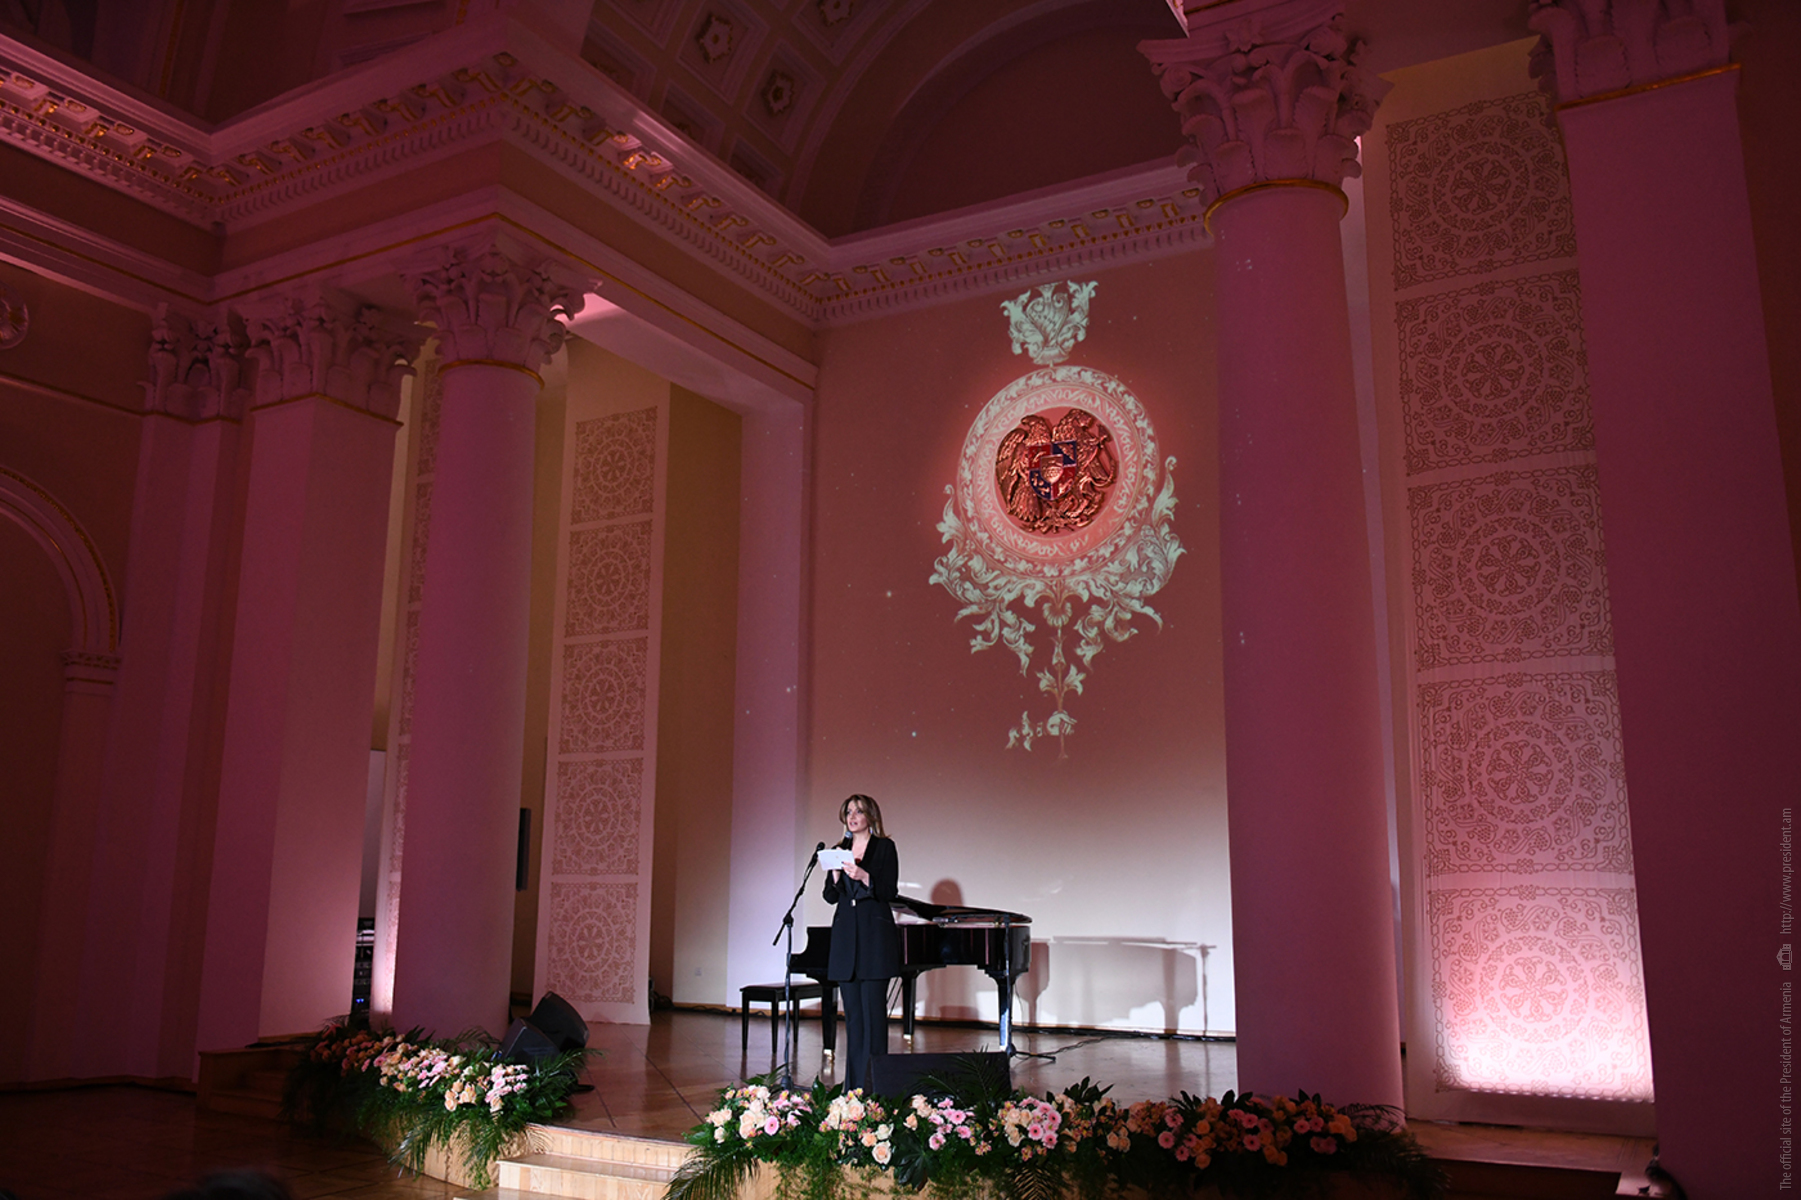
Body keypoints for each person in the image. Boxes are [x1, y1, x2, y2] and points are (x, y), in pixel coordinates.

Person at [822, 793, 900, 1093]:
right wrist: (835, 876)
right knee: (853, 1018)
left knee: (874, 1017)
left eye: (858, 811)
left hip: (874, 940)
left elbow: (890, 890)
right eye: (848, 812)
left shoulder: (885, 847)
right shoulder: (838, 850)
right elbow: (830, 897)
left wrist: (865, 876)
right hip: (846, 941)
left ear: (871, 816)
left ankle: (876, 1088)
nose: (852, 816)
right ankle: (853, 1088)